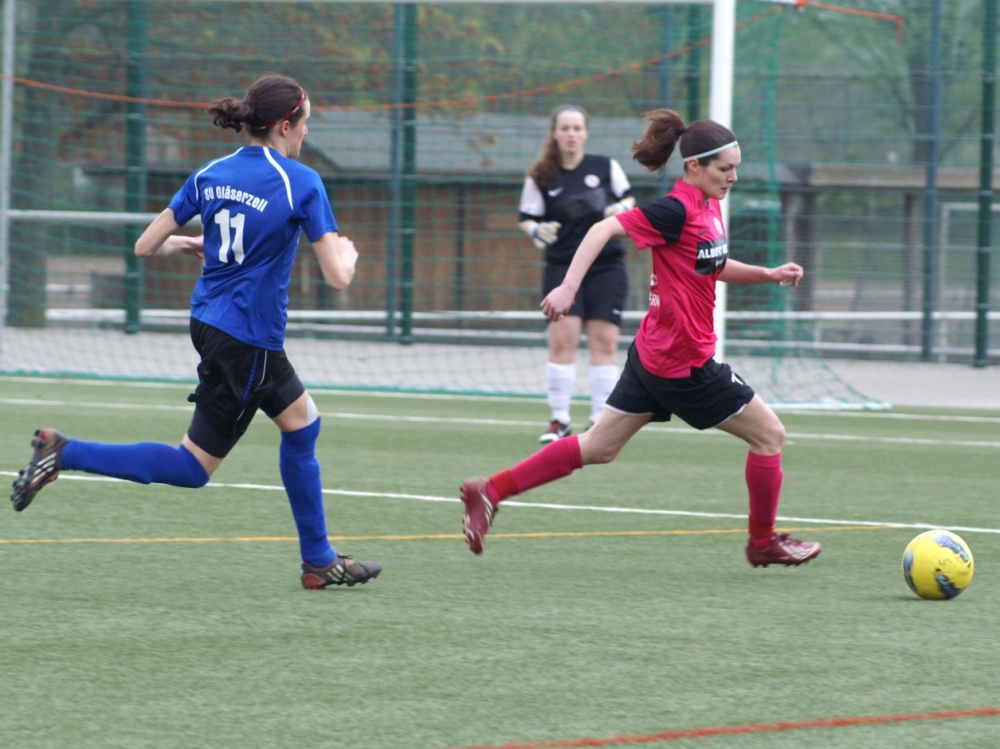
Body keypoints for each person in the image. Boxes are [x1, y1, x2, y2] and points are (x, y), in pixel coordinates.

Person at [9, 75, 382, 590]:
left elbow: (144, 245)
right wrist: (349, 254)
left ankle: (319, 559)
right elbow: (337, 278)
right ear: (282, 125)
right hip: (248, 336)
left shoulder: (211, 173)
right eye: (305, 125)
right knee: (193, 467)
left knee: (302, 424)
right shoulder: (302, 181)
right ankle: (65, 452)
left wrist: (192, 245)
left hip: (210, 323)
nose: (305, 135)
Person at [461, 108, 821, 568]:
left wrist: (768, 274)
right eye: (725, 168)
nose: (733, 177)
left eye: (736, 168)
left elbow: (711, 267)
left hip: (654, 353)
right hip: (684, 364)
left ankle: (489, 490)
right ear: (695, 167)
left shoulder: (709, 207)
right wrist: (569, 287)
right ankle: (762, 541)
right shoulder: (675, 209)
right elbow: (603, 227)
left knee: (598, 447)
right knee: (770, 435)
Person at [518, 105, 635, 444]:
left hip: (606, 266)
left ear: (585, 132)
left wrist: (621, 209)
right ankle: (559, 421)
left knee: (605, 342)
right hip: (562, 267)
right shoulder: (541, 175)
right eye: (565, 128)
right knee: (562, 341)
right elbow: (526, 217)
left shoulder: (605, 167)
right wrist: (537, 231)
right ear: (555, 133)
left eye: (577, 128)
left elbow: (628, 199)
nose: (571, 134)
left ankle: (601, 420)